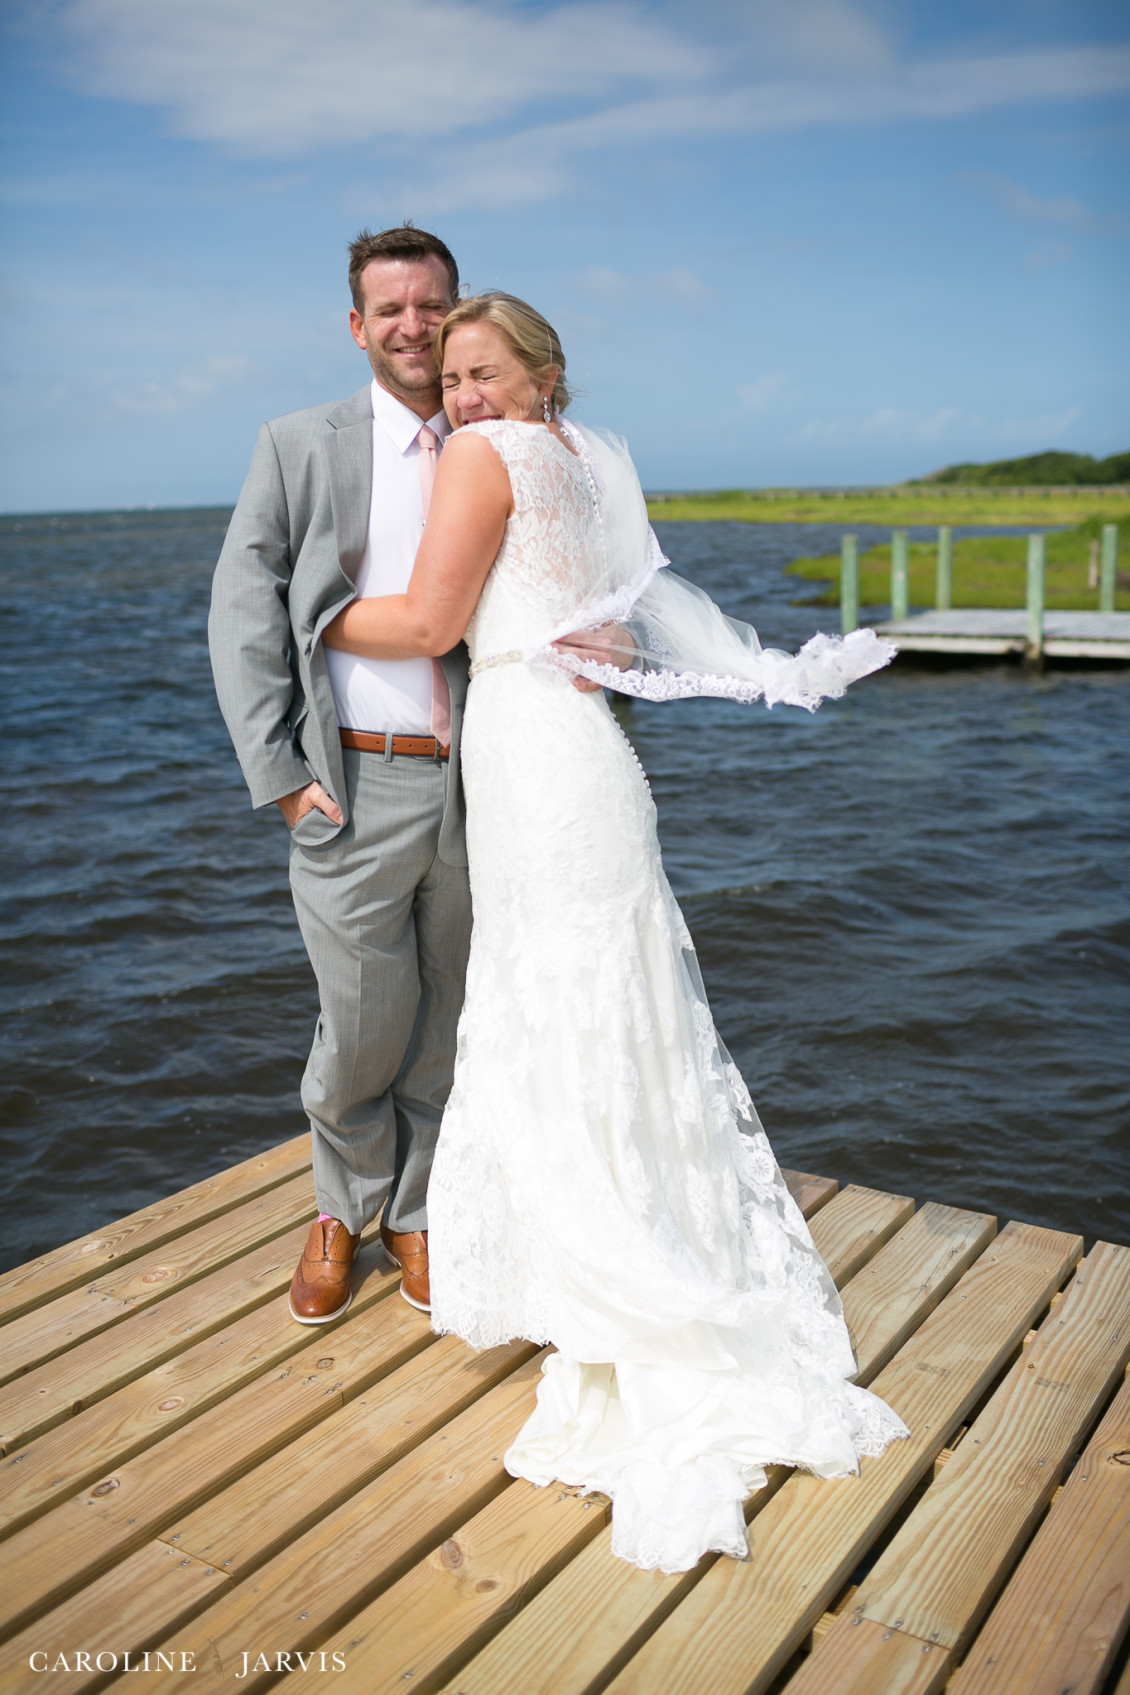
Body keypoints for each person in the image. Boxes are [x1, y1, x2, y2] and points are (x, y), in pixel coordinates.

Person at [320, 291, 909, 1573]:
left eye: (484, 371)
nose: (463, 396)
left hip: (533, 747)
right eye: (454, 379)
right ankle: (638, 1225)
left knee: (553, 990)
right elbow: (627, 605)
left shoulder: (486, 457)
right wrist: (582, 636)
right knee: (611, 989)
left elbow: (425, 626)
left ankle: (606, 1266)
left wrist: (308, 611)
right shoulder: (593, 463)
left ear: (541, 374)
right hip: (585, 752)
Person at [210, 227, 475, 1322]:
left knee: (449, 1013)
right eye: (391, 309)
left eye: (431, 307)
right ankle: (337, 1205)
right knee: (362, 1014)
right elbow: (243, 611)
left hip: (478, 787)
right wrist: (278, 775)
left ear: (455, 314)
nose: (412, 327)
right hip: (350, 785)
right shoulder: (295, 443)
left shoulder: (494, 433)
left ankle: (414, 1212)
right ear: (357, 324)